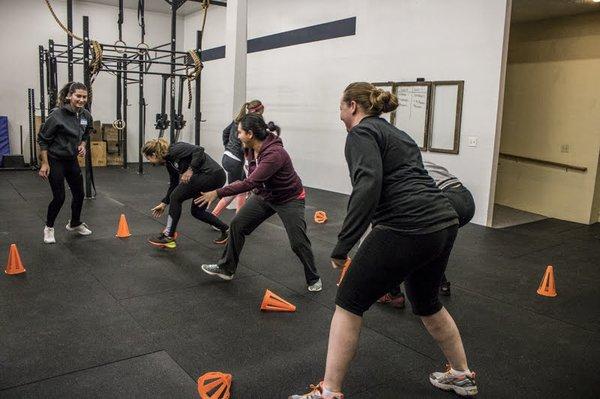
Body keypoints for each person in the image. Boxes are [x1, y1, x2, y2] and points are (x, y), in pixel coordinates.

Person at [289, 83, 477, 398]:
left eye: (340, 106)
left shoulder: (360, 134)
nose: (339, 113)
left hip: (406, 225)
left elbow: (368, 185)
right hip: (443, 223)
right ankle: (461, 374)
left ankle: (329, 391)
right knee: (427, 303)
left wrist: (343, 245)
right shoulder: (398, 134)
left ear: (351, 106)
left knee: (348, 302)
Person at [195, 113, 322, 292]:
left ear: (250, 134)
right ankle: (226, 268)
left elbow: (249, 183)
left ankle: (313, 277)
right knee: (237, 225)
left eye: (239, 132)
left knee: (298, 242)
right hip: (264, 195)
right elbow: (251, 179)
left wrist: (217, 192)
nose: (237, 135)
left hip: (289, 198)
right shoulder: (248, 148)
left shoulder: (274, 154)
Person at [377, 161, 476, 307]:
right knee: (431, 240)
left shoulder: (390, 170)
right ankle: (442, 284)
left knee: (401, 241)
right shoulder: (417, 159)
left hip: (446, 201)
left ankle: (393, 294)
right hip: (466, 200)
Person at [142, 138, 229, 249]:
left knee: (176, 197)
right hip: (208, 177)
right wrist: (164, 203)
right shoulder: (169, 162)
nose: (149, 161)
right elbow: (174, 184)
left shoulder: (174, 149)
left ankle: (169, 235)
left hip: (212, 174)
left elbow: (199, 149)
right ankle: (226, 229)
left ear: (154, 154)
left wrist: (190, 170)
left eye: (148, 158)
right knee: (196, 211)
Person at [38, 82, 93, 244]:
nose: (81, 100)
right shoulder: (57, 115)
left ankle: (74, 223)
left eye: (84, 97)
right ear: (69, 96)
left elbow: (86, 133)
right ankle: (49, 228)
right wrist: (44, 164)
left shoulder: (85, 116)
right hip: (55, 160)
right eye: (78, 96)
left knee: (79, 194)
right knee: (59, 197)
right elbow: (43, 140)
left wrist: (82, 146)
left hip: (71, 159)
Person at [211, 100, 265, 217]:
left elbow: (225, 132)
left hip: (227, 157)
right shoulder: (249, 123)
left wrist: (228, 147)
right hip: (235, 161)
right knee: (239, 189)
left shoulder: (238, 119)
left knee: (239, 186)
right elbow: (248, 144)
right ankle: (229, 218)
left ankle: (217, 216)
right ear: (259, 111)